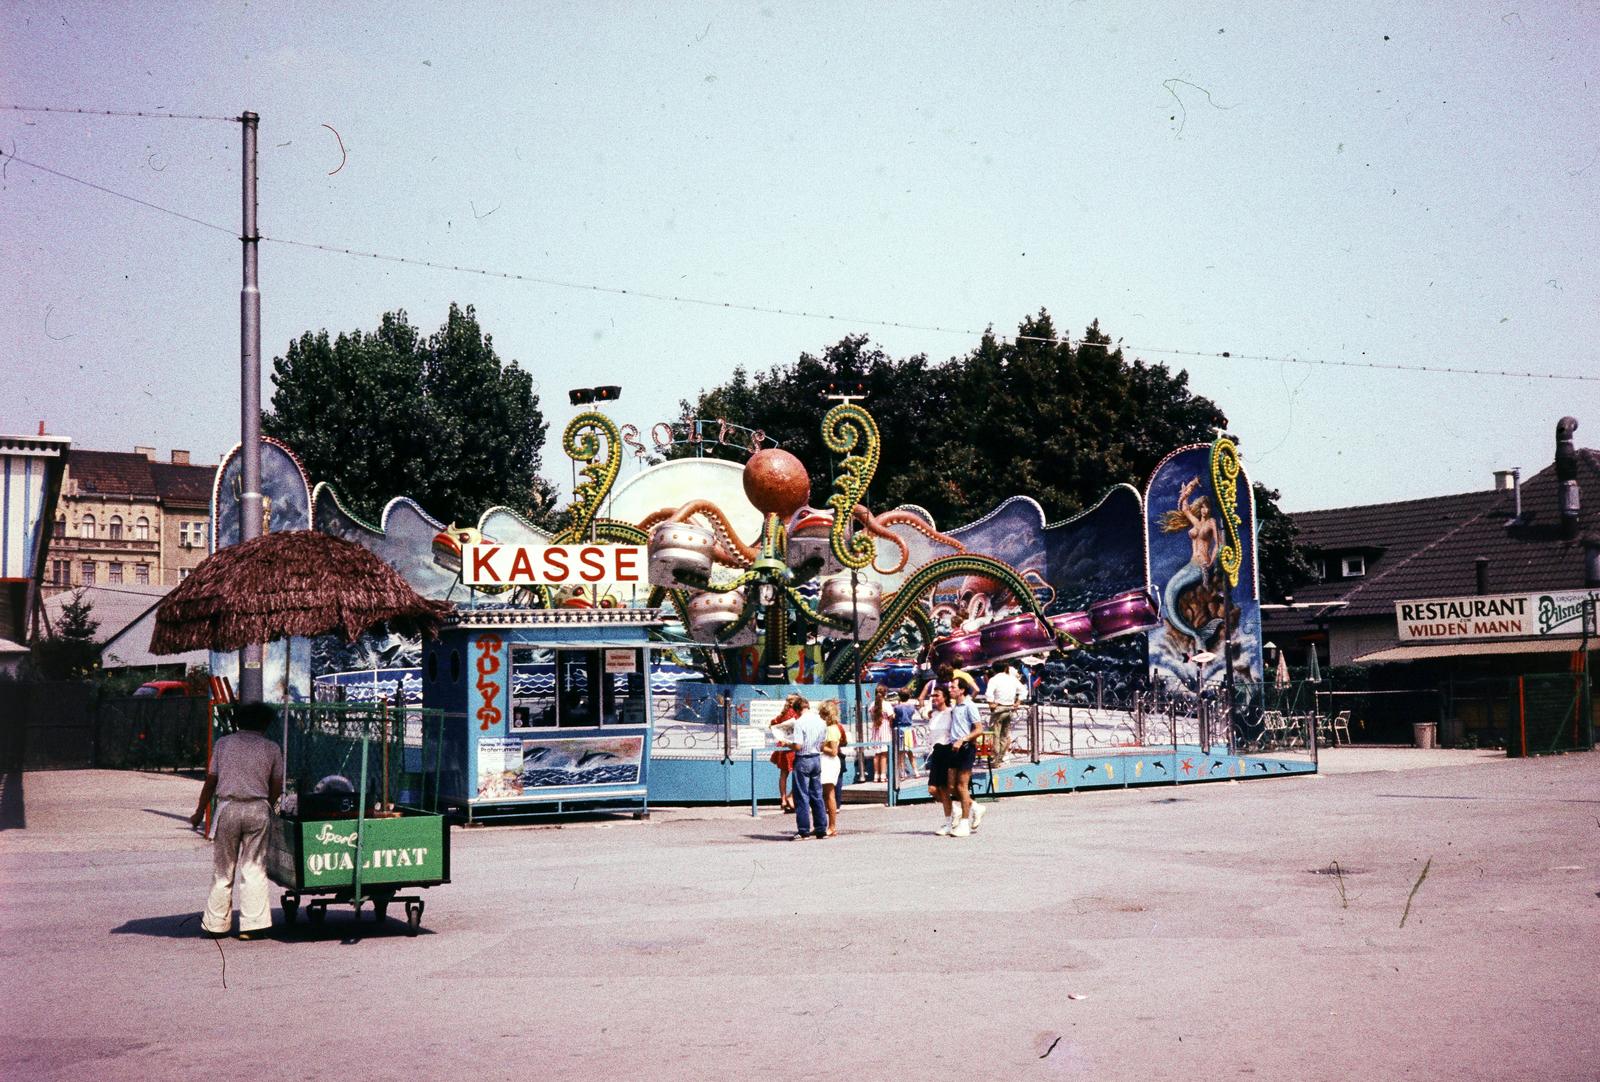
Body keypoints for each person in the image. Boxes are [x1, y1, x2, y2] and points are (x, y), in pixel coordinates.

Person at [189, 701, 285, 939]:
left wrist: (200, 811)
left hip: (228, 808)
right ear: (265, 724)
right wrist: (269, 805)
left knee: (223, 869)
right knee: (254, 867)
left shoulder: (223, 744)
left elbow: (211, 781)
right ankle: (252, 926)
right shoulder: (271, 748)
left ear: (238, 722)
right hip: (258, 808)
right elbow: (276, 785)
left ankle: (215, 925)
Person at [1161, 476, 1223, 652]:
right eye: (1202, 506)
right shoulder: (1196, 522)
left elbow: (1218, 544)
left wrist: (1211, 562)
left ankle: (1198, 639)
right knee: (1170, 591)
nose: (1204, 510)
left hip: (1201, 566)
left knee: (1173, 590)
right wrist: (1188, 490)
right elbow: (1185, 509)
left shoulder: (1211, 523)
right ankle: (1196, 635)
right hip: (1191, 564)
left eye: (1207, 507)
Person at [781, 695, 827, 840]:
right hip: (816, 758)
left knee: (801, 795)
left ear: (797, 710)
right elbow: (822, 744)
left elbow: (798, 746)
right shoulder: (821, 722)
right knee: (817, 794)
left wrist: (788, 743)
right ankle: (821, 829)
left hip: (803, 759)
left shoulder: (799, 723)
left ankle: (803, 830)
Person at [947, 681, 988, 837]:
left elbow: (979, 729)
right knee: (951, 786)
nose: (950, 690)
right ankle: (976, 807)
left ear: (962, 690)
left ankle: (964, 823)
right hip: (954, 748)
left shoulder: (970, 706)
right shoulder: (955, 707)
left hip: (965, 748)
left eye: (953, 687)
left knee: (962, 786)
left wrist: (963, 739)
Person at [920, 686, 958, 836]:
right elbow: (922, 711)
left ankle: (949, 822)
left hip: (947, 750)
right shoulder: (934, 714)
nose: (934, 698)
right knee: (933, 789)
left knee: (946, 788)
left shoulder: (951, 712)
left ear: (945, 697)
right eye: (933, 695)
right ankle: (955, 810)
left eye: (937, 695)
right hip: (936, 751)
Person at [984, 662, 1026, 763]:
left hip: (999, 708)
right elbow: (1024, 691)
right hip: (1009, 708)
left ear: (994, 669)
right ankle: (1000, 757)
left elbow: (988, 694)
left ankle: (995, 759)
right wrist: (1018, 702)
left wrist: (991, 703)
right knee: (1004, 735)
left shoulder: (994, 680)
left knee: (995, 735)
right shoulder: (1012, 679)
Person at [769, 693, 803, 812]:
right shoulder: (797, 714)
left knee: (783, 774)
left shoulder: (783, 714)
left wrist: (779, 734)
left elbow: (772, 723)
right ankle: (791, 797)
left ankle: (783, 799)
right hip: (793, 746)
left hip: (783, 745)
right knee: (798, 774)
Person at [818, 700, 847, 837]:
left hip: (829, 762)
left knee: (829, 795)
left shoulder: (832, 729)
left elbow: (834, 751)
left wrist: (820, 746)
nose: (819, 716)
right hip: (826, 761)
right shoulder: (830, 728)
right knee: (825, 795)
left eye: (821, 713)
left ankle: (832, 826)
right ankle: (824, 825)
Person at [892, 690, 919, 778]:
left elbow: (894, 717)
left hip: (900, 729)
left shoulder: (897, 707)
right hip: (909, 730)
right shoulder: (912, 707)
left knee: (901, 753)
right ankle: (916, 771)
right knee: (910, 752)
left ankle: (903, 773)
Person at [869, 685, 894, 783]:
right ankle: (883, 775)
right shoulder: (887, 705)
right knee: (884, 754)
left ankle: (876, 775)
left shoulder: (872, 704)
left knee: (877, 754)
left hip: (876, 729)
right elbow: (891, 717)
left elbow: (872, 716)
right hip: (885, 729)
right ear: (885, 694)